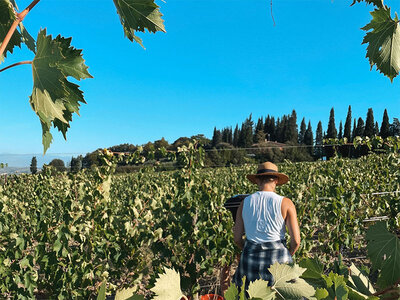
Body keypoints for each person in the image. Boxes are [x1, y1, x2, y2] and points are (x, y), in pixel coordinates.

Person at [232, 161, 300, 289]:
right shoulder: (286, 203)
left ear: (257, 180)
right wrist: (287, 253)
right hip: (279, 261)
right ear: (276, 181)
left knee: (250, 295)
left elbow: (237, 238)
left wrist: (249, 250)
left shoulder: (244, 203)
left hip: (250, 260)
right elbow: (296, 241)